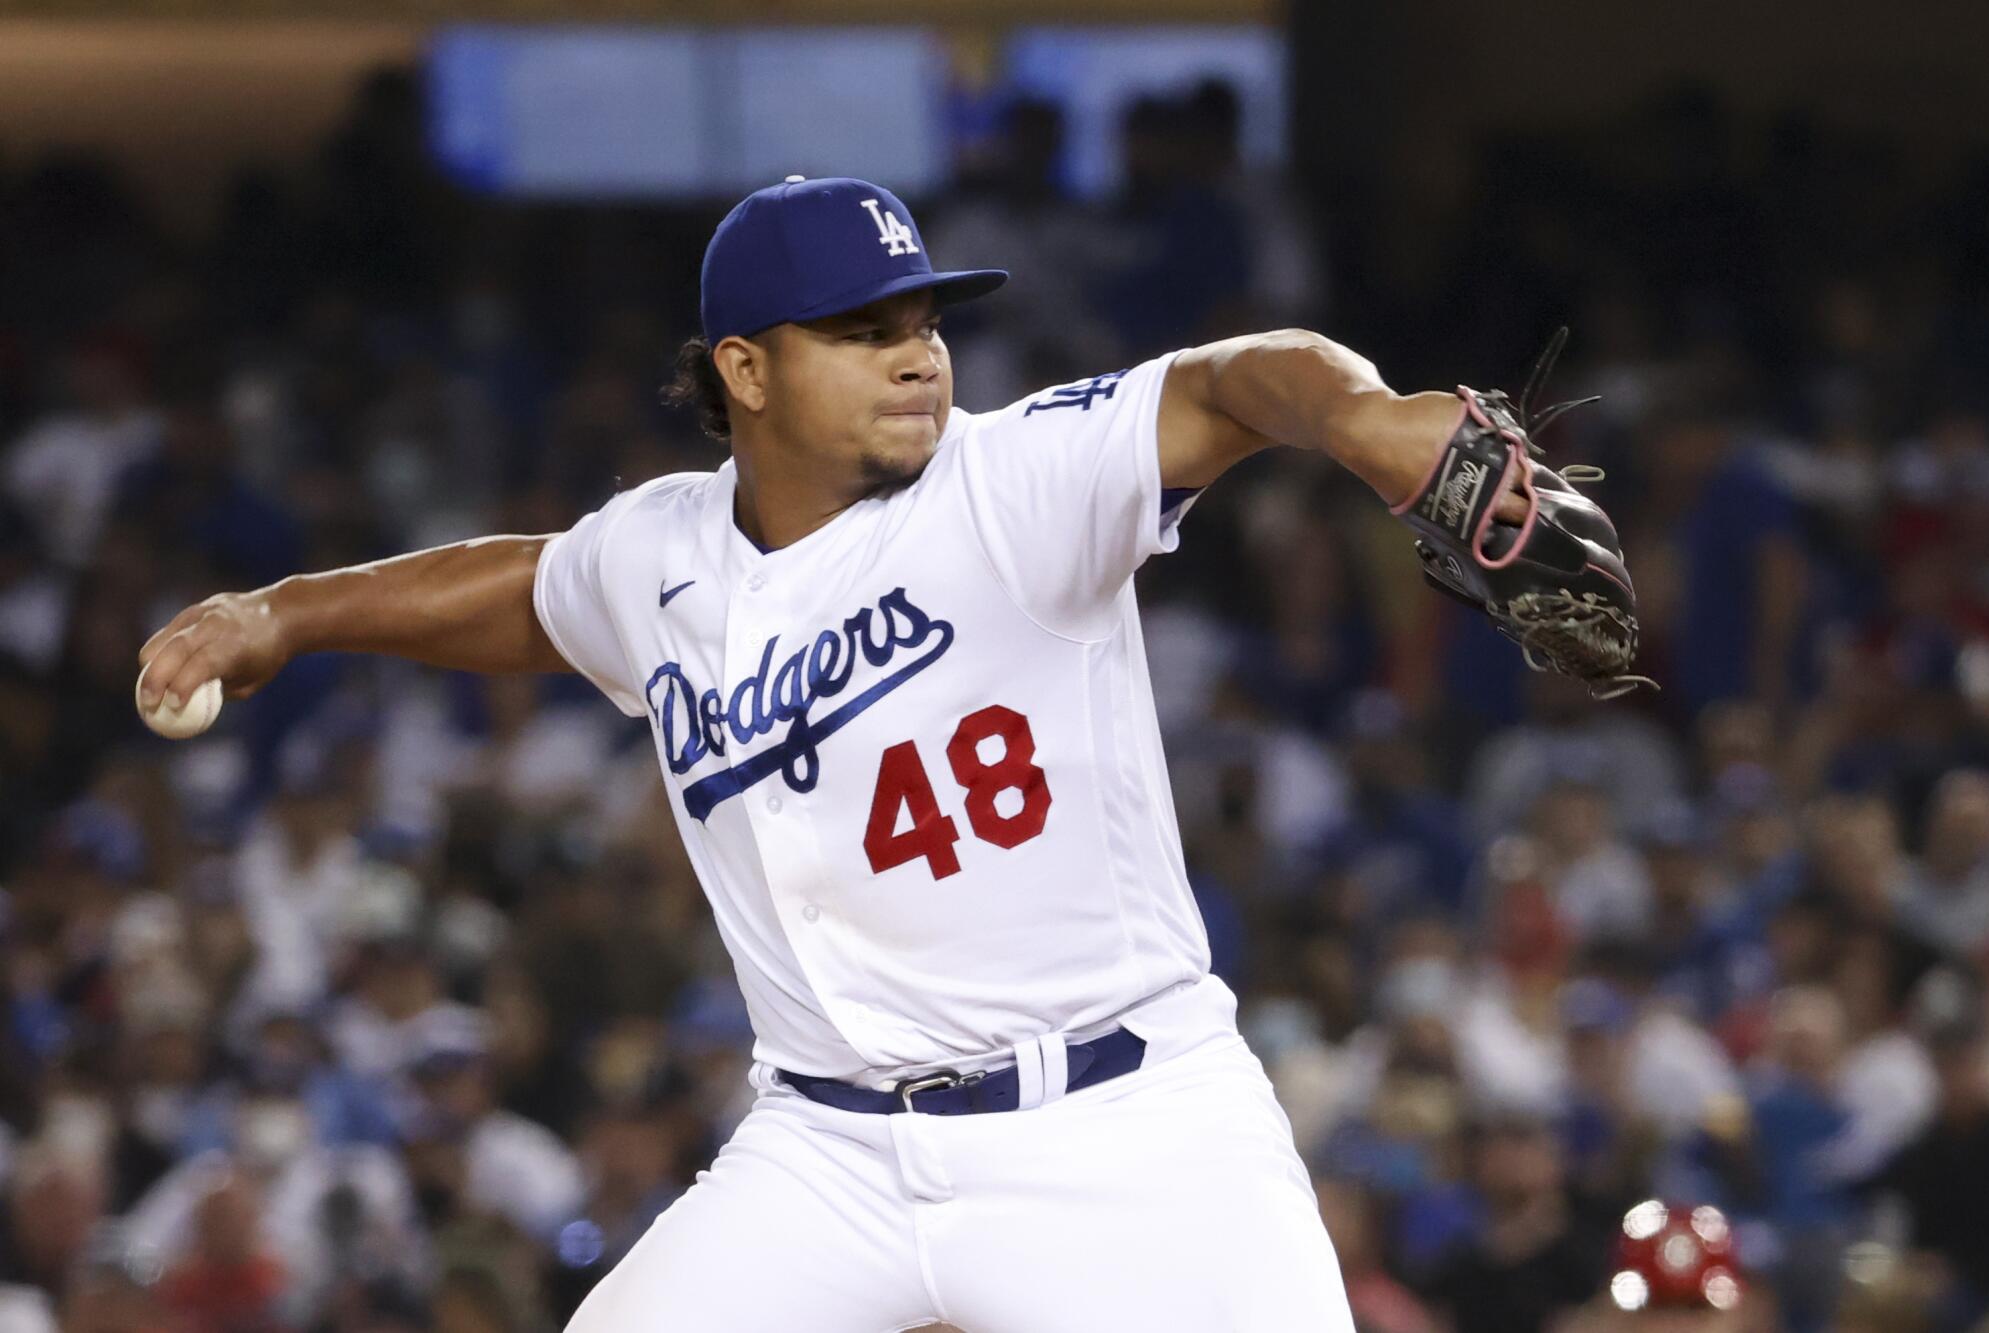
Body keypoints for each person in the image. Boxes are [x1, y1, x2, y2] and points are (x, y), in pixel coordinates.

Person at [137, 174, 1548, 1330]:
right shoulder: (660, 551)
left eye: (922, 315)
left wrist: (1364, 419)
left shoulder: (1014, 481)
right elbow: (525, 589)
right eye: (862, 326)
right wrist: (286, 614)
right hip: (829, 1150)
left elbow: (1239, 385)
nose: (917, 348)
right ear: (744, 369)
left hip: (1125, 1129)